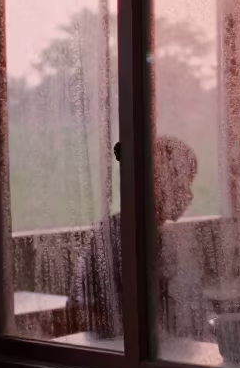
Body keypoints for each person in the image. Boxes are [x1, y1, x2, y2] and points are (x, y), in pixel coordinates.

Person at [71, 136, 198, 337]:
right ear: (159, 183)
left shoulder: (158, 234)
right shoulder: (118, 234)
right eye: (182, 184)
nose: (189, 194)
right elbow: (86, 311)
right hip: (114, 349)